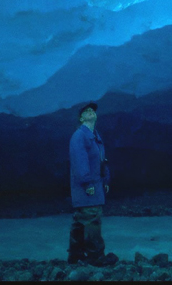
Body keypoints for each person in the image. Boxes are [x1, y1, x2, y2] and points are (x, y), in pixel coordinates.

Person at [68, 102, 118, 266]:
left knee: (81, 219)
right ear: (81, 118)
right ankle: (95, 256)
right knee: (92, 218)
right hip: (86, 186)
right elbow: (80, 161)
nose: (90, 112)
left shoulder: (95, 136)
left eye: (92, 110)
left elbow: (102, 161)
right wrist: (87, 183)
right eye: (86, 111)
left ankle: (75, 256)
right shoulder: (79, 136)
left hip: (95, 185)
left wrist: (106, 179)